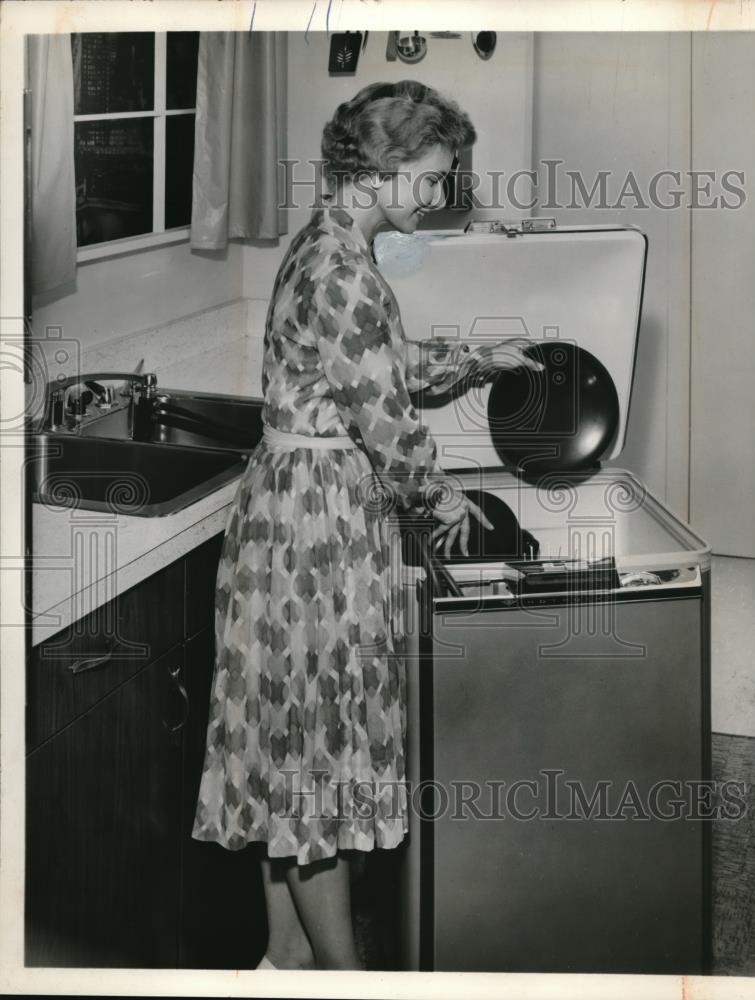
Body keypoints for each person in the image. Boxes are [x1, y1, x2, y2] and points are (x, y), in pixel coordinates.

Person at [191, 79, 542, 971]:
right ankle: (349, 982)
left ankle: (285, 959)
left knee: (291, 747)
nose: (440, 192)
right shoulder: (346, 270)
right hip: (318, 527)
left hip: (294, 510)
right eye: (431, 176)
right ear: (381, 169)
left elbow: (370, 368)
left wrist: (476, 358)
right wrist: (442, 499)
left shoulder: (329, 246)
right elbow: (386, 423)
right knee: (318, 758)